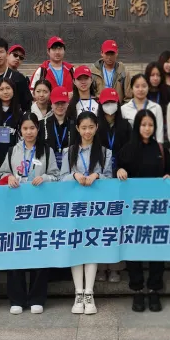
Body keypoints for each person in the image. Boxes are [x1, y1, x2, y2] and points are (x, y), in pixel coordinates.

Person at [116, 109, 170, 312]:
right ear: (137, 126)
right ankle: (138, 289)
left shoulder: (161, 149)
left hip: (156, 209)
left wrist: (168, 177)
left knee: (157, 248)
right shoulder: (127, 149)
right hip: (133, 209)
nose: (147, 128)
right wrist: (119, 170)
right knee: (134, 249)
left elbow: (169, 173)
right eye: (143, 125)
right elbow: (118, 170)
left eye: (150, 125)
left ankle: (154, 289)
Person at [0, 113, 57, 314]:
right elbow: (1, 174)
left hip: (40, 210)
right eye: (25, 128)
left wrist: (46, 178)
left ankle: (37, 297)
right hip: (16, 209)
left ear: (38, 129)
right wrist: (8, 177)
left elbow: (57, 176)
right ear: (20, 131)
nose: (29, 132)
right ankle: (16, 298)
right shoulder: (12, 151)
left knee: (39, 250)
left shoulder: (47, 151)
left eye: (32, 128)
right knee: (16, 250)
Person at [64, 111, 113, 315]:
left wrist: (97, 176)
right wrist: (74, 175)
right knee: (76, 246)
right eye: (83, 128)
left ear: (96, 128)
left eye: (91, 127)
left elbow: (110, 178)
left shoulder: (105, 152)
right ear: (77, 128)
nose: (87, 131)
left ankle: (89, 293)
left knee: (91, 246)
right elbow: (61, 177)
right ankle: (78, 293)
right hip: (74, 207)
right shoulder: (69, 151)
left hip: (95, 207)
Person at [40, 86, 78, 172]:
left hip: (70, 169)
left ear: (68, 103)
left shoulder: (75, 124)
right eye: (57, 103)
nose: (60, 106)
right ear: (51, 104)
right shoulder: (42, 124)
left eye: (63, 103)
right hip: (48, 169)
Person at [121, 74, 166, 143]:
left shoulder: (156, 108)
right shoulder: (124, 109)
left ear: (148, 87)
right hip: (131, 147)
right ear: (131, 89)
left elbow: (159, 134)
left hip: (151, 147)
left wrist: (158, 147)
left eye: (144, 86)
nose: (141, 89)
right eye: (137, 86)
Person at [97, 88, 131, 173]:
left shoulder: (126, 125)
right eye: (106, 103)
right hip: (100, 170)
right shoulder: (95, 126)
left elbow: (130, 149)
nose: (109, 105)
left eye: (112, 102)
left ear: (117, 103)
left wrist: (121, 168)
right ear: (101, 105)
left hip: (122, 170)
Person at [5, 43, 34, 111]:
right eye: (15, 55)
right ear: (7, 55)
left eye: (21, 57)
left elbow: (27, 103)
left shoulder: (23, 79)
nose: (18, 58)